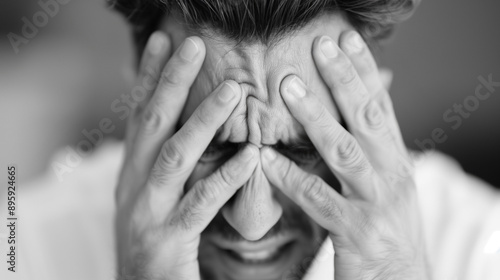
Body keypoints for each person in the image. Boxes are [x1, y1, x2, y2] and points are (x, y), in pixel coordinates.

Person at [7, 1, 500, 280]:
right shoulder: (19, 244)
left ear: (373, 113)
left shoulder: (484, 246)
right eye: (210, 149)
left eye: (303, 151)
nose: (252, 222)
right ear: (143, 106)